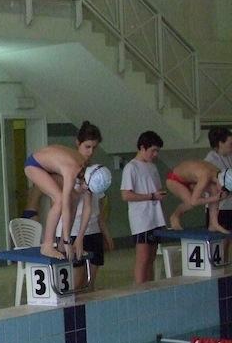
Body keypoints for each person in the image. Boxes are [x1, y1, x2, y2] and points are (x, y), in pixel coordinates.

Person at [55, 121, 114, 286]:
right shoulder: (67, 169)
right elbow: (62, 204)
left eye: (94, 148)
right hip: (72, 230)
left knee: (90, 284)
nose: (91, 152)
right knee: (76, 282)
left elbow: (95, 207)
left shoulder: (94, 171)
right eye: (87, 147)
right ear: (77, 143)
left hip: (92, 229)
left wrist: (105, 232)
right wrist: (71, 238)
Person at [24, 144, 90, 260]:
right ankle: (47, 245)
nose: (87, 190)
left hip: (48, 165)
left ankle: (61, 246)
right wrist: (67, 241)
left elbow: (86, 206)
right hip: (34, 165)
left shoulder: (86, 168)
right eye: (87, 187)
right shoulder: (72, 170)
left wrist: (78, 239)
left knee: (74, 197)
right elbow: (65, 206)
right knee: (59, 199)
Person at [120, 130, 167, 284]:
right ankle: (140, 289)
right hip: (141, 220)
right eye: (153, 150)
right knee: (143, 258)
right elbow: (126, 195)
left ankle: (150, 287)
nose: (155, 154)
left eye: (157, 151)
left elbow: (156, 190)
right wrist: (151, 196)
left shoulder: (152, 167)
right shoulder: (131, 167)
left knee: (152, 258)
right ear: (142, 148)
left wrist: (158, 197)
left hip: (155, 218)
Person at [164, 159, 232, 233]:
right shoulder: (205, 176)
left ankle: (213, 224)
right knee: (190, 203)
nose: (223, 191)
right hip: (174, 179)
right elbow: (194, 202)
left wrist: (219, 197)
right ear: (221, 183)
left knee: (214, 189)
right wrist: (215, 198)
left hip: (190, 180)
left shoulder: (218, 173)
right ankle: (175, 216)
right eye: (224, 189)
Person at [204, 126, 232, 230]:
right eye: (230, 144)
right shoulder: (210, 161)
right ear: (220, 143)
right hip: (219, 209)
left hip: (229, 205)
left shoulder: (229, 155)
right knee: (221, 237)